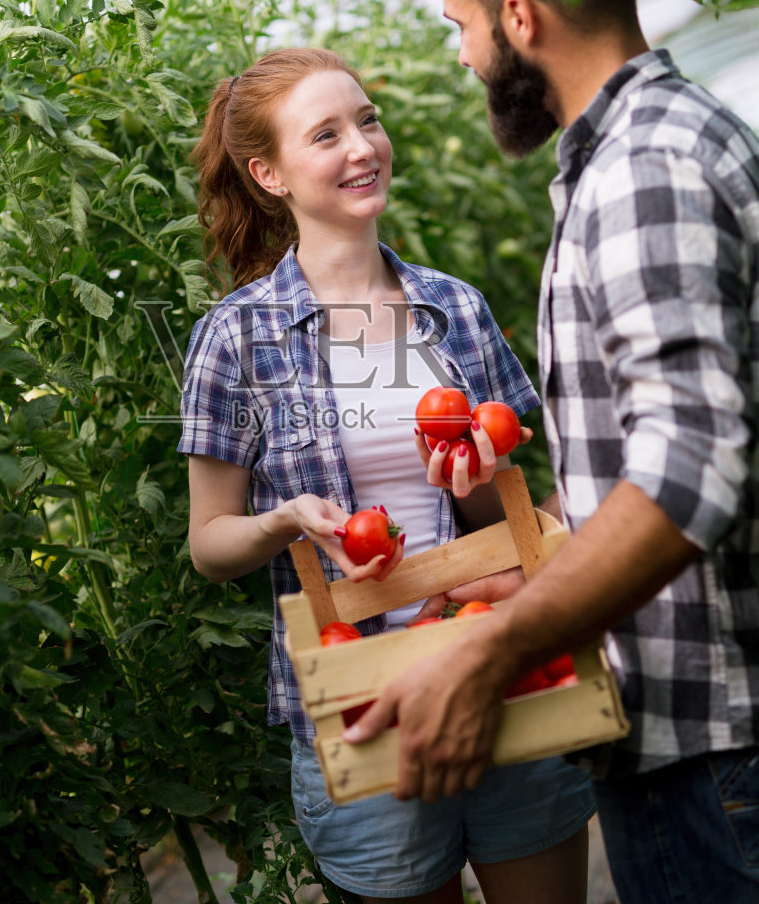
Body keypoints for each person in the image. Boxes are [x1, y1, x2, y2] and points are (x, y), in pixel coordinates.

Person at [343, 0, 759, 904]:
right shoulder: (657, 145)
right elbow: (652, 452)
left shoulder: (642, 170)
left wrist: (494, 649)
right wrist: (542, 563)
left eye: (458, 25)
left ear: (517, 18)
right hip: (734, 724)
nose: (462, 55)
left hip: (719, 740)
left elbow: (686, 475)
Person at [178, 46, 593, 904]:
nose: (362, 146)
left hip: (495, 663)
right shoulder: (235, 339)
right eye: (324, 134)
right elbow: (210, 543)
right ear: (270, 173)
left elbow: (498, 510)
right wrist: (284, 518)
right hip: (363, 698)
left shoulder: (456, 307)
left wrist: (478, 475)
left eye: (367, 120)